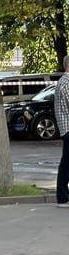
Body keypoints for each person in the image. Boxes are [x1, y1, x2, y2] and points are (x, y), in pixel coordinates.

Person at [54, 56, 69, 208]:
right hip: (68, 127)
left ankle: (63, 196)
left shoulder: (62, 82)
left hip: (65, 128)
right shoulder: (66, 83)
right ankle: (62, 198)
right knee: (66, 164)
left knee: (66, 163)